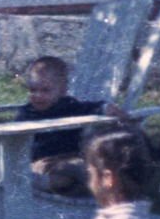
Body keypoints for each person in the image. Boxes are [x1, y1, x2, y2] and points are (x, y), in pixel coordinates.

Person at [11, 56, 128, 197]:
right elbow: (12, 138)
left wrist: (105, 108)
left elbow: (89, 108)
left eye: (45, 90)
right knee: (42, 172)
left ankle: (46, 184)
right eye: (33, 90)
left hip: (68, 158)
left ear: (62, 91)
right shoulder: (27, 112)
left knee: (77, 170)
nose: (38, 95)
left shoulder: (69, 106)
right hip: (38, 162)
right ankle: (42, 183)